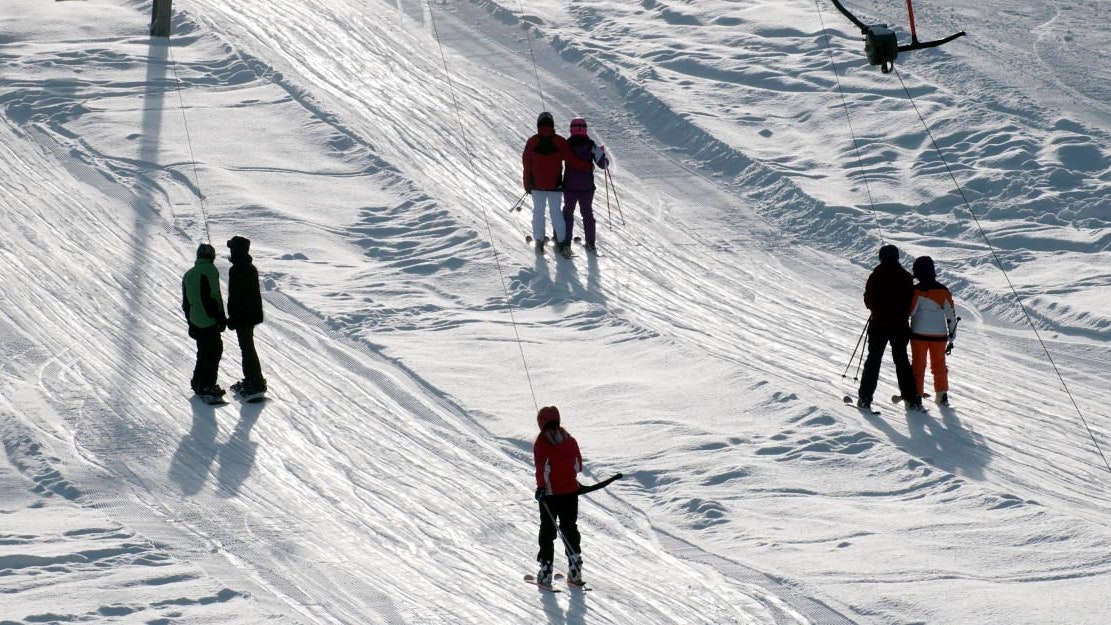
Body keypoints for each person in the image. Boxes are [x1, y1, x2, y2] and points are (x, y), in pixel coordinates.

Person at [856, 244, 920, 411]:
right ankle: (911, 399)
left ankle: (865, 398)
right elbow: (910, 302)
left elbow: (869, 301)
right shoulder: (906, 277)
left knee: (873, 361)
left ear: (881, 257)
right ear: (897, 257)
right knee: (902, 361)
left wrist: (877, 307)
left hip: (879, 325)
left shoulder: (876, 276)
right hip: (900, 326)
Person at [522, 112, 590, 256]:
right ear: (552, 124)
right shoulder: (560, 141)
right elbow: (572, 160)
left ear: (538, 124)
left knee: (538, 212)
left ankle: (539, 242)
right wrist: (587, 167)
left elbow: (526, 165)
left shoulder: (532, 141)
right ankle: (561, 242)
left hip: (536, 186)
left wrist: (526, 184)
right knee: (556, 213)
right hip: (555, 186)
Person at [533, 405, 585, 586]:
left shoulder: (541, 442)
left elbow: (542, 469)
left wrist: (541, 488)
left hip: (549, 496)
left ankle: (546, 571)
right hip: (571, 494)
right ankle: (575, 569)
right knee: (570, 528)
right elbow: (578, 466)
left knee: (547, 531)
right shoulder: (570, 440)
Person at [909, 256, 957, 405]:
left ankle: (916, 395)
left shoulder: (916, 290)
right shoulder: (943, 290)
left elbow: (911, 311)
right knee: (939, 364)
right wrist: (952, 335)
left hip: (918, 334)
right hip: (939, 335)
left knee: (918, 364)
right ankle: (941, 394)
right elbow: (951, 315)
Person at [182, 243, 227, 398]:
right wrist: (220, 318)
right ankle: (207, 385)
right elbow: (214, 296)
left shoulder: (188, 274)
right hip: (209, 319)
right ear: (211, 256)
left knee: (203, 351)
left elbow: (185, 303)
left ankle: (198, 383)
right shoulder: (210, 270)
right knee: (214, 351)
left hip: (195, 319)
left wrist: (191, 323)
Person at [226, 236, 267, 398]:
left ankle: (254, 382)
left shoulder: (236, 270)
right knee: (248, 347)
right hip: (251, 315)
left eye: (232, 248)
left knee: (247, 348)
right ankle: (254, 380)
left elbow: (235, 298)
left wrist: (232, 319)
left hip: (242, 316)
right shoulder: (250, 267)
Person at [562, 117, 609, 252]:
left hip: (570, 186)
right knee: (587, 213)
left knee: (568, 213)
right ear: (585, 129)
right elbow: (603, 165)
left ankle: (566, 243)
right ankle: (591, 243)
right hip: (587, 187)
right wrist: (602, 154)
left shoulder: (566, 144)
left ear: (571, 129)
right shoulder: (591, 145)